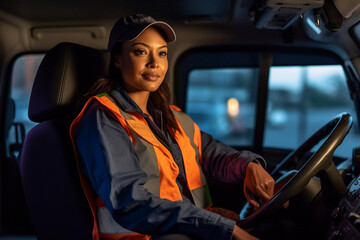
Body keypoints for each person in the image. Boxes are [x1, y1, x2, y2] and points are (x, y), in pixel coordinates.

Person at [70, 13, 275, 240]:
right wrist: (222, 227)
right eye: (140, 51)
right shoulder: (103, 117)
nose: (154, 62)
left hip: (186, 228)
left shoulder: (172, 117)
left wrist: (249, 166)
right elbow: (131, 202)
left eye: (162, 53)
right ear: (117, 59)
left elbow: (213, 154)